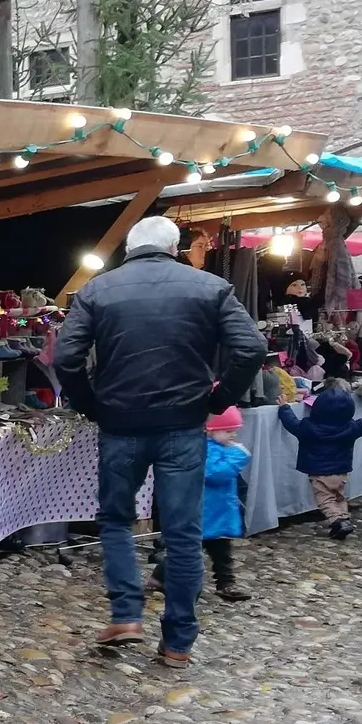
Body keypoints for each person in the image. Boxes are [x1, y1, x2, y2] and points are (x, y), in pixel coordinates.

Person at [53, 216, 267, 670]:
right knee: (183, 533)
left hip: (121, 423)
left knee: (114, 520)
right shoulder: (211, 287)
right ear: (174, 247)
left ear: (128, 249)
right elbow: (251, 348)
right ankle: (177, 644)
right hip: (184, 424)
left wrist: (92, 404)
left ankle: (127, 614)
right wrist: (219, 399)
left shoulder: (96, 290)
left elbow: (66, 357)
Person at [156, 407, 252, 601]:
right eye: (228, 431)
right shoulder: (205, 449)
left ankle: (226, 582)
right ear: (210, 429)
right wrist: (238, 457)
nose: (233, 435)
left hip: (215, 511)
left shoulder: (218, 448)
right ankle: (163, 577)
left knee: (220, 550)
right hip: (204, 511)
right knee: (191, 548)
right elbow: (214, 474)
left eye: (234, 431)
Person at [277, 376, 362, 539]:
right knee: (339, 496)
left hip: (319, 473)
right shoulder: (351, 428)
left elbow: (291, 423)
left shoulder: (308, 428)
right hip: (341, 472)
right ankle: (344, 518)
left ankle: (338, 521)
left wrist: (284, 407)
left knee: (325, 500)